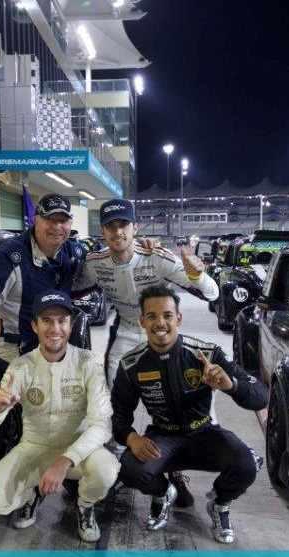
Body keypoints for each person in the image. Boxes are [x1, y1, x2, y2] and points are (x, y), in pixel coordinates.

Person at [73, 198, 219, 508]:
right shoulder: (94, 263)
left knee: (177, 399)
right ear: (102, 231)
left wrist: (197, 275)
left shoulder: (157, 257)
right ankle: (113, 467)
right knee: (111, 403)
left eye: (124, 225)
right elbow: (70, 286)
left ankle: (176, 471)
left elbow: (212, 292)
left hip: (163, 332)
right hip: (128, 331)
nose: (118, 232)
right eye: (111, 227)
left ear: (135, 228)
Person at [111, 284, 268, 544]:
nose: (160, 323)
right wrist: (131, 438)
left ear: (179, 319)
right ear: (142, 321)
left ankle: (220, 503)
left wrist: (230, 385)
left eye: (167, 315)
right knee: (129, 470)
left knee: (246, 464)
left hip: (204, 434)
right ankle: (163, 493)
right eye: (151, 316)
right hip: (163, 438)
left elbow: (260, 397)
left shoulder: (207, 353)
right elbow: (118, 417)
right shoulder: (131, 364)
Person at [0, 290, 119, 542]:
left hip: (77, 449)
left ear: (71, 325)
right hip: (34, 447)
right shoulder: (20, 366)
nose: (55, 329)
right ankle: (29, 495)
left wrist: (66, 460)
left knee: (106, 470)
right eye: (47, 321)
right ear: (35, 326)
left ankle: (85, 504)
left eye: (62, 321)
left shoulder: (87, 363)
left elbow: (102, 425)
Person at [0, 194, 85, 362]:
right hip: (16, 348)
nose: (57, 226)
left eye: (63, 221)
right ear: (36, 220)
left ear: (70, 224)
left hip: (55, 343)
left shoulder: (74, 252)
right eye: (50, 219)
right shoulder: (8, 256)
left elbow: (95, 272)